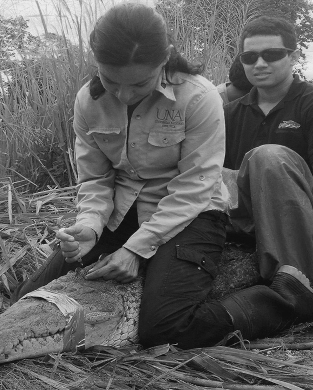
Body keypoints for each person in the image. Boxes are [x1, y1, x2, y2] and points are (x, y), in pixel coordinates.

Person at [12, 2, 239, 349]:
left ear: (164, 60)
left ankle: (276, 300)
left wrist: (136, 250)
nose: (124, 94)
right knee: (26, 296)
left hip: (193, 212)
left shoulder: (198, 97)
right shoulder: (87, 102)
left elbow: (196, 186)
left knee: (164, 330)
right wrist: (89, 226)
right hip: (123, 209)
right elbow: (95, 179)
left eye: (140, 83)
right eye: (111, 80)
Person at [223, 16, 313, 340]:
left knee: (268, 157)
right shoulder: (228, 114)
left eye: (271, 54)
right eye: (249, 57)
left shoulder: (309, 103)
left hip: (302, 208)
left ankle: (299, 281)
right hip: (244, 215)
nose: (259, 63)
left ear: (293, 55)